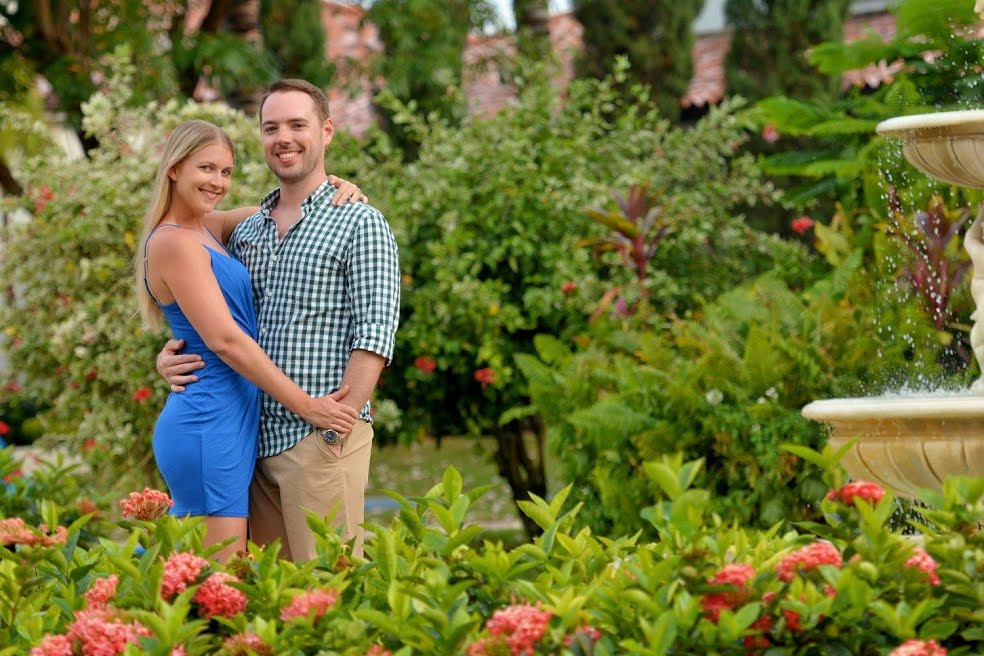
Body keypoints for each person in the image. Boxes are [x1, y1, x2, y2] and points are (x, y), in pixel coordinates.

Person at [157, 80, 401, 561]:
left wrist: (335, 427)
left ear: (326, 131)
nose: (283, 137)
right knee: (270, 599)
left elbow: (374, 335)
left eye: (297, 125)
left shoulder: (358, 222)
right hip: (251, 441)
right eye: (272, 128)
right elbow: (192, 282)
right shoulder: (246, 231)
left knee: (326, 588)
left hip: (318, 438)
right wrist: (172, 354)